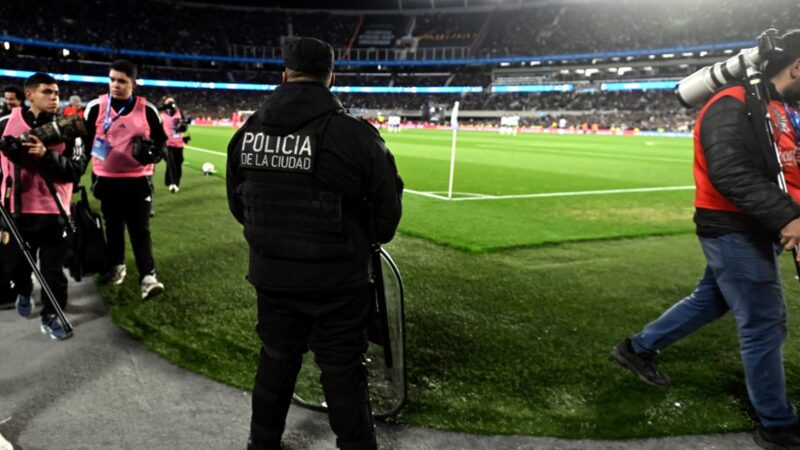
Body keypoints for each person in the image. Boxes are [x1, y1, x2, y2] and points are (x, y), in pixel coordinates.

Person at [612, 30, 800, 450]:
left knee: (711, 299)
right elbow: (731, 173)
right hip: (732, 227)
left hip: (758, 225)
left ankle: (636, 348)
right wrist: (789, 217)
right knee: (765, 321)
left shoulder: (778, 107)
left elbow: (785, 167)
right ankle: (777, 423)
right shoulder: (729, 104)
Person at [227, 37, 403, 450]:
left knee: (275, 360)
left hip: (272, 277)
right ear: (331, 77)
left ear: (284, 75)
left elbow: (240, 206)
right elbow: (386, 218)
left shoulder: (247, 132)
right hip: (338, 282)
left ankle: (262, 443)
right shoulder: (357, 136)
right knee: (343, 372)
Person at [0, 73, 87, 340]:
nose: (54, 97)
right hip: (15, 210)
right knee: (15, 265)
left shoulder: (69, 128)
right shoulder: (4, 123)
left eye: (56, 93)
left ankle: (52, 316)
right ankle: (24, 289)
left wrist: (46, 156)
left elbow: (75, 170)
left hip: (54, 211)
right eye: (47, 92)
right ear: (29, 96)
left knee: (52, 271)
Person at [83, 60, 167, 299]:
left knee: (140, 229)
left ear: (133, 83)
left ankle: (148, 278)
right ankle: (117, 266)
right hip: (105, 179)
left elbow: (161, 144)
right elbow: (84, 142)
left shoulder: (147, 109)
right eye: (112, 80)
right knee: (114, 227)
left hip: (138, 179)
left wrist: (154, 153)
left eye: (121, 81)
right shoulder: (95, 107)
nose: (115, 85)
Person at [160, 96, 188, 193]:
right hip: (167, 143)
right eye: (168, 102)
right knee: (171, 163)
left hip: (179, 143)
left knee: (178, 163)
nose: (170, 104)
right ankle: (173, 183)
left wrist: (183, 127)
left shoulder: (180, 113)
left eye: (171, 102)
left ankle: (175, 182)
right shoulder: (161, 114)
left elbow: (185, 127)